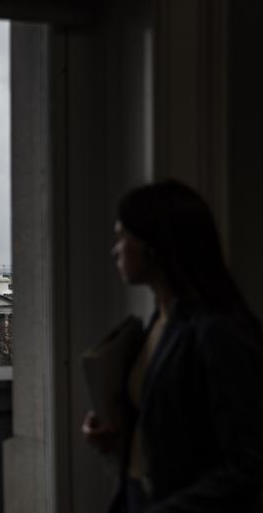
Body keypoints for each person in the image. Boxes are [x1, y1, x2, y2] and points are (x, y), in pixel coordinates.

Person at [82, 179, 263, 513]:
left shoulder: (220, 330)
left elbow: (251, 463)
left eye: (123, 236)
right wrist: (117, 433)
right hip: (140, 496)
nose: (115, 249)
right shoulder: (160, 322)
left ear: (154, 244)